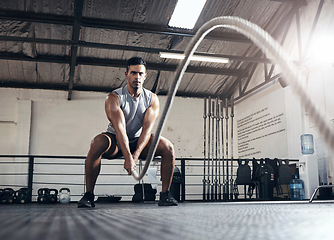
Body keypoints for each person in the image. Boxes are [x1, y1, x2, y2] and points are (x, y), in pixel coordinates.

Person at [78, 57, 178, 208]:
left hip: (139, 141)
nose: (136, 77)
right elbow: (120, 130)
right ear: (126, 74)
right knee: (97, 143)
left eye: (140, 74)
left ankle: (165, 195)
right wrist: (127, 157)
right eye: (133, 73)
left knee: (168, 147)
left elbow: (146, 130)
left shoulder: (152, 99)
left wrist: (135, 156)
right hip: (116, 140)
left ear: (145, 76)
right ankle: (88, 195)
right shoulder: (114, 98)